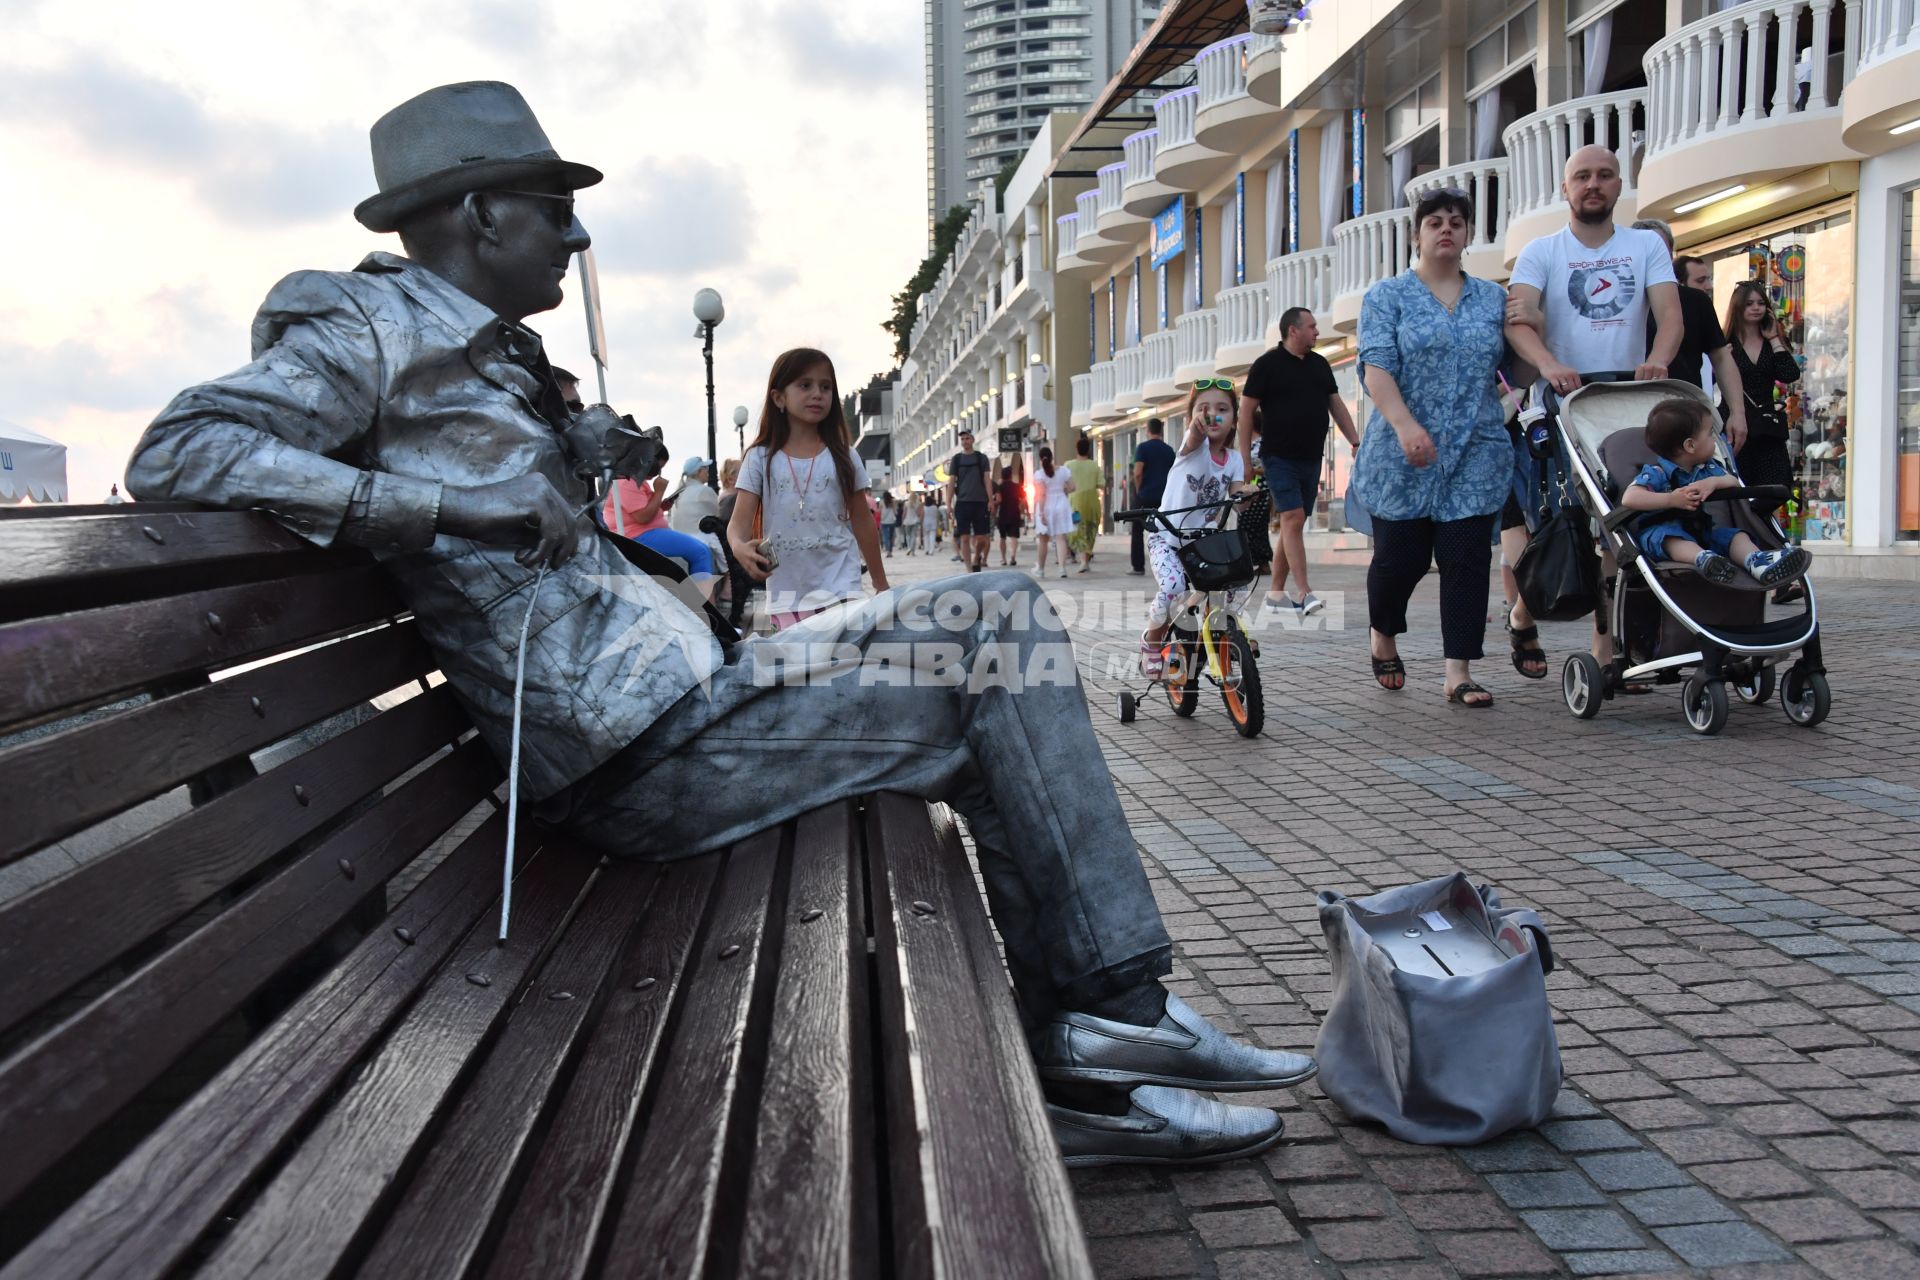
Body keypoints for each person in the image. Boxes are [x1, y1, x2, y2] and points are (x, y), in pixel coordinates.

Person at [125, 83, 1310, 1165]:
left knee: (998, 619)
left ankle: (1097, 1036)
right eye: (554, 209)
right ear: (480, 215)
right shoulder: (366, 328)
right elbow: (179, 451)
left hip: (691, 693)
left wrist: (583, 465)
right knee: (990, 651)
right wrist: (453, 503)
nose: (577, 236)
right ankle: (1109, 1025)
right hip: (633, 755)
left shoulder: (486, 353)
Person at [1504, 144, 1683, 691]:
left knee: (1618, 529)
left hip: (1625, 399)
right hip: (1565, 399)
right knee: (1562, 527)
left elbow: (1669, 319)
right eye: (1582, 176)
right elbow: (1518, 322)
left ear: (1618, 184)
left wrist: (1658, 360)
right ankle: (1523, 615)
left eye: (1605, 175)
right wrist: (1550, 365)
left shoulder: (1645, 245)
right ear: (1566, 188)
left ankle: (1606, 653)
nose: (1593, 184)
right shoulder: (1542, 251)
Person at [1351, 189, 1515, 709]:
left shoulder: (1493, 299)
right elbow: (1375, 368)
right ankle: (1383, 633)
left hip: (1474, 452)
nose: (1447, 229)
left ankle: (1458, 671)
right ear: (1417, 234)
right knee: (1401, 560)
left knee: (1466, 560)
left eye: (1457, 222)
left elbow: (1515, 367)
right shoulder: (1387, 297)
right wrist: (1403, 425)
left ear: (1467, 235)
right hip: (1401, 456)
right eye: (1435, 222)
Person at [727, 349, 888, 628]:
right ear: (779, 397)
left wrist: (881, 584)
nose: (817, 394)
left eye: (826, 387)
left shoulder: (844, 456)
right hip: (787, 595)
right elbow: (737, 525)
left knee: (841, 666)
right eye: (805, 385)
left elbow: (862, 521)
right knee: (801, 668)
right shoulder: (759, 458)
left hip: (841, 587)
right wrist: (739, 547)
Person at [1238, 307, 1359, 617]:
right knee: (1292, 517)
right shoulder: (1266, 366)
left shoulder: (1320, 364)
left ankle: (1276, 595)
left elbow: (1336, 405)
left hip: (1311, 458)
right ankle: (1303, 591)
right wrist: (1245, 462)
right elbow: (1245, 413)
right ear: (1293, 330)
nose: (1317, 332)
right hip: (1278, 457)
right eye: (1312, 326)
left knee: (1295, 523)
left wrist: (1355, 441)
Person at [1624, 398, 1811, 584]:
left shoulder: (1707, 469)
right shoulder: (1657, 472)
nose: (1715, 439)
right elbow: (1630, 498)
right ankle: (1703, 559)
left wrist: (1713, 483)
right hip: (1661, 533)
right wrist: (1671, 499)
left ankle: (1756, 561)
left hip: (1702, 532)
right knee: (1670, 537)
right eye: (1709, 434)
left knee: (1735, 535)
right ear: (1690, 445)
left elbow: (1733, 482)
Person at [1139, 381, 1248, 675]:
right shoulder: (1193, 447)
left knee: (1239, 581)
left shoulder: (1235, 459)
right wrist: (1198, 425)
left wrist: (1247, 495)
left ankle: (1224, 633)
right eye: (1204, 409)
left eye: (1222, 410)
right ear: (1191, 419)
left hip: (1202, 542)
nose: (1212, 415)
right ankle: (1151, 643)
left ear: (1235, 420)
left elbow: (1238, 499)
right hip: (1167, 538)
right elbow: (1196, 434)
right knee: (1173, 586)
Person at [1722, 280, 1807, 604]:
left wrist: (1774, 339)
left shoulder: (1771, 341)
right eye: (1750, 304)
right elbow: (1712, 376)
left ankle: (1760, 555)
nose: (1757, 308)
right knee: (1742, 496)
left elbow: (1789, 375)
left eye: (1761, 303)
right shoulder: (1726, 342)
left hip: (1768, 430)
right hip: (1736, 425)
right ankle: (1773, 571)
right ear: (1739, 309)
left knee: (1778, 489)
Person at [1630, 219, 1746, 448]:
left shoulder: (1695, 300)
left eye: (1658, 248)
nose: (1652, 254)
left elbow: (1721, 357)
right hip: (1630, 415)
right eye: (1644, 247)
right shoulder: (1618, 301)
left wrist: (1738, 412)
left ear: (1670, 253)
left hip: (1686, 418)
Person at [1129, 418, 1174, 575]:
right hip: (1164, 497)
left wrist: (1139, 489)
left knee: (1137, 530)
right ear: (1161, 430)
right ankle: (1167, 564)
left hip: (1145, 495)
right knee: (1165, 530)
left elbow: (1138, 472)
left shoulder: (1143, 448)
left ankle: (1138, 566)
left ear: (1148, 430)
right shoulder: (1169, 450)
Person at [945, 429, 993, 572]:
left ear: (972, 440)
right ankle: (969, 568)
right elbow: (951, 482)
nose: (965, 441)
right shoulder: (957, 459)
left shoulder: (981, 458)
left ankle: (977, 556)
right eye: (963, 439)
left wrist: (990, 499)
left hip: (980, 502)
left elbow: (987, 480)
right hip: (962, 503)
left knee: (982, 539)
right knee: (964, 538)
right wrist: (948, 504)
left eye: (967, 438)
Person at [1032, 446, 1076, 579]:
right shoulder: (1063, 471)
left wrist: (1041, 513)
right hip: (1062, 503)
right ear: (1052, 457)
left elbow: (1041, 494)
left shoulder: (1039, 474)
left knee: (1043, 539)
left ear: (1040, 459)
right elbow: (1073, 487)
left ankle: (1041, 569)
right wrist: (1063, 489)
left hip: (1047, 506)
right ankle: (1062, 568)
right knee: (1061, 537)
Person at [1066, 437, 1103, 574]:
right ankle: (1085, 560)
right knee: (1091, 531)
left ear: (1076, 449)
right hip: (1092, 503)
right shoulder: (1094, 465)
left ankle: (1083, 561)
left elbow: (1065, 483)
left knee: (1077, 531)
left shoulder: (1068, 465)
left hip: (1075, 503)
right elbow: (1101, 484)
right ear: (1088, 450)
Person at [994, 464, 1026, 566]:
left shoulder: (1000, 487)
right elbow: (1023, 500)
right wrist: (1022, 509)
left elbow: (999, 499)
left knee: (1002, 537)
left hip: (1003, 514)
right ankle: (1013, 556)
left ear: (1002, 476)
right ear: (1011, 476)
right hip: (1014, 513)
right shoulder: (1017, 486)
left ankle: (1003, 559)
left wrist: (993, 505)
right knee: (1014, 537)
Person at [880, 491, 899, 555]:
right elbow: (895, 511)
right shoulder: (893, 502)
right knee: (891, 536)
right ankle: (890, 551)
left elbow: (879, 511)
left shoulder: (882, 502)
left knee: (885, 536)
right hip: (891, 521)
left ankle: (887, 550)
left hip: (884, 521)